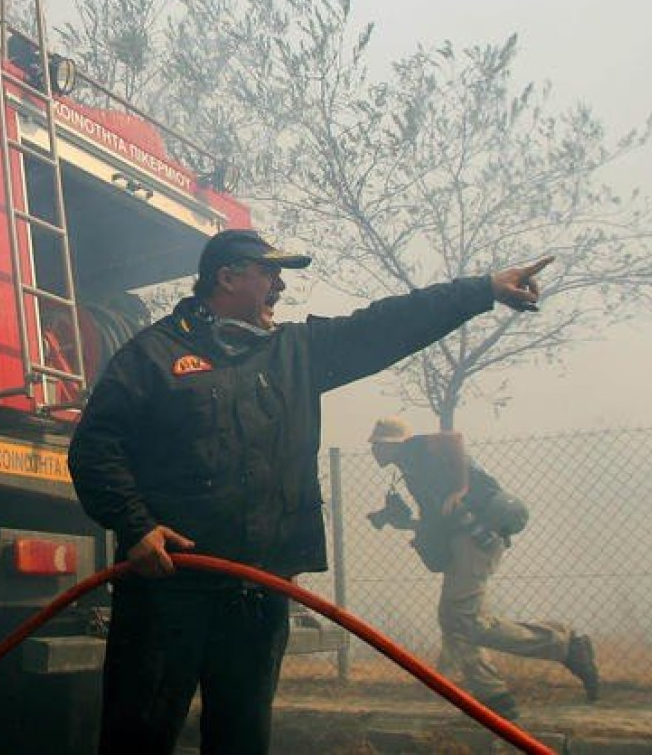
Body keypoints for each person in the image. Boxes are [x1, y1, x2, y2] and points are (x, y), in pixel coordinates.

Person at [68, 228, 554, 754]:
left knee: (242, 741)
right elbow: (95, 447)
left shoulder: (295, 353)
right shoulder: (152, 355)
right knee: (137, 738)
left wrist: (483, 290)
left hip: (258, 594)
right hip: (168, 591)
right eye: (269, 273)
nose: (280, 285)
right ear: (227, 277)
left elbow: (388, 324)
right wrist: (135, 527)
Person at [367, 416, 600, 721]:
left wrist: (460, 489)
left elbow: (455, 439)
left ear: (392, 444)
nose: (374, 452)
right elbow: (438, 518)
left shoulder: (418, 448)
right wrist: (399, 521)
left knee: (461, 621)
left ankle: (519, 681)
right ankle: (519, 678)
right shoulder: (411, 471)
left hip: (475, 539)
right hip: (463, 541)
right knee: (462, 621)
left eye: (377, 445)